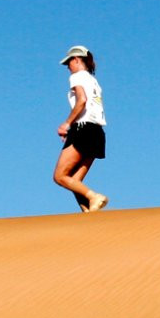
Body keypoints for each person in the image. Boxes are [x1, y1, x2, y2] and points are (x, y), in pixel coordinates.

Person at [53, 45, 109, 213]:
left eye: (68, 63)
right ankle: (88, 213)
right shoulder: (94, 81)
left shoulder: (77, 77)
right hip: (97, 133)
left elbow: (81, 100)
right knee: (75, 180)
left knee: (60, 176)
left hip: (83, 130)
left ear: (76, 60)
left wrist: (67, 123)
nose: (68, 68)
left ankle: (94, 197)